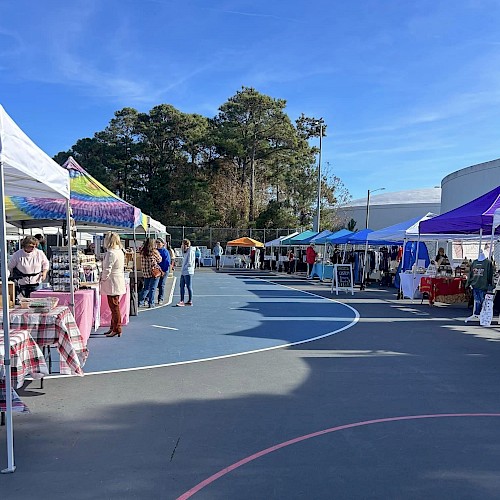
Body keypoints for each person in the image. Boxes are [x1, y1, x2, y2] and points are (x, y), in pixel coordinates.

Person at [100, 232, 126, 337]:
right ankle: (113, 326)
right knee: (114, 306)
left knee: (114, 307)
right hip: (117, 280)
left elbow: (107, 269)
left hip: (112, 281)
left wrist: (102, 278)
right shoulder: (119, 251)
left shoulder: (111, 253)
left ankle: (117, 327)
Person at [465, 249, 494, 322]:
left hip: (483, 286)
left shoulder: (488, 263)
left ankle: (480, 314)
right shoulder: (474, 262)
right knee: (477, 301)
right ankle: (477, 314)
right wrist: (468, 283)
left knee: (482, 301)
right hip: (476, 285)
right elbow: (470, 274)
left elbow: (490, 274)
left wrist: (491, 285)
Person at [138, 238, 162, 308]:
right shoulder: (154, 252)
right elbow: (160, 260)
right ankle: (151, 303)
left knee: (145, 288)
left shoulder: (142, 251)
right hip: (154, 272)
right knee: (152, 288)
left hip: (145, 272)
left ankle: (140, 301)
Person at [177, 239, 195, 306]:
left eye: (182, 244)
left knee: (188, 286)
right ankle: (183, 300)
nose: (181, 246)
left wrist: (185, 267)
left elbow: (190, 262)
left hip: (187, 271)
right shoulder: (186, 251)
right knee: (182, 286)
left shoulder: (190, 251)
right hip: (184, 271)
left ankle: (189, 300)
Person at [155, 238, 171, 305]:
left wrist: (163, 270)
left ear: (162, 244)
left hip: (163, 270)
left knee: (161, 285)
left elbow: (167, 261)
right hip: (156, 270)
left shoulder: (165, 251)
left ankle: (160, 299)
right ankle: (149, 298)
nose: (158, 244)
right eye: (157, 243)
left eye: (159, 243)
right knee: (155, 285)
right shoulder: (155, 251)